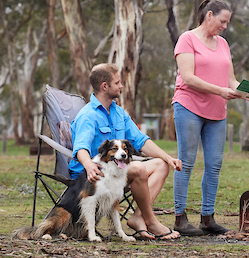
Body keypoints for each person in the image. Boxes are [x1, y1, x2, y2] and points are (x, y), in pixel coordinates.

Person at [172, 0, 249, 236]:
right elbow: (188, 78)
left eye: (227, 23)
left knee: (214, 165)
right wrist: (221, 90)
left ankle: (208, 218)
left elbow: (231, 81)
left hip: (216, 112)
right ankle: (180, 218)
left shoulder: (223, 44)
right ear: (209, 15)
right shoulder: (187, 39)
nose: (224, 26)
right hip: (188, 106)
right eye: (222, 21)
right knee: (186, 161)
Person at [69, 63, 182, 240]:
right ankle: (151, 221)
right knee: (138, 169)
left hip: (117, 172)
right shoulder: (88, 115)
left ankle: (138, 217)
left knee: (161, 164)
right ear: (105, 86)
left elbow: (141, 141)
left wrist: (167, 157)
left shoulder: (118, 112)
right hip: (93, 175)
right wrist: (89, 165)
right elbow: (80, 148)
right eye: (118, 82)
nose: (121, 86)